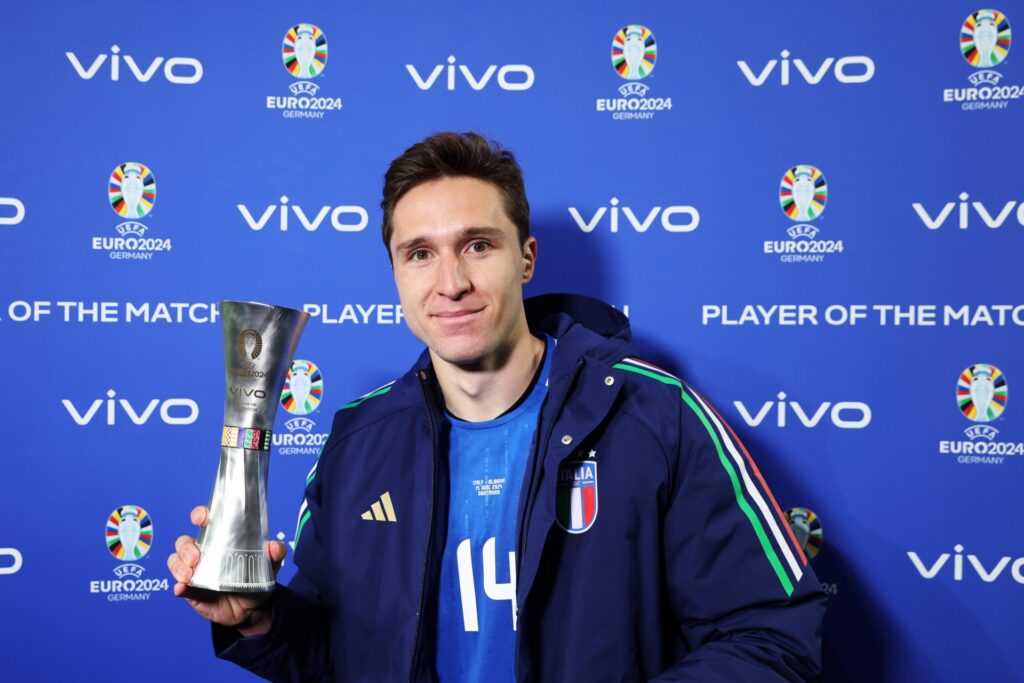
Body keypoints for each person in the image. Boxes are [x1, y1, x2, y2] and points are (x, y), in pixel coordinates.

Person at [168, 132, 825, 681]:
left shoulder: (655, 414)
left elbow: (774, 633)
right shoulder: (357, 440)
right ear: (396, 274)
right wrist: (260, 618)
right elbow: (335, 654)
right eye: (419, 254)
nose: (451, 282)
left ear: (527, 259)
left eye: (477, 245)